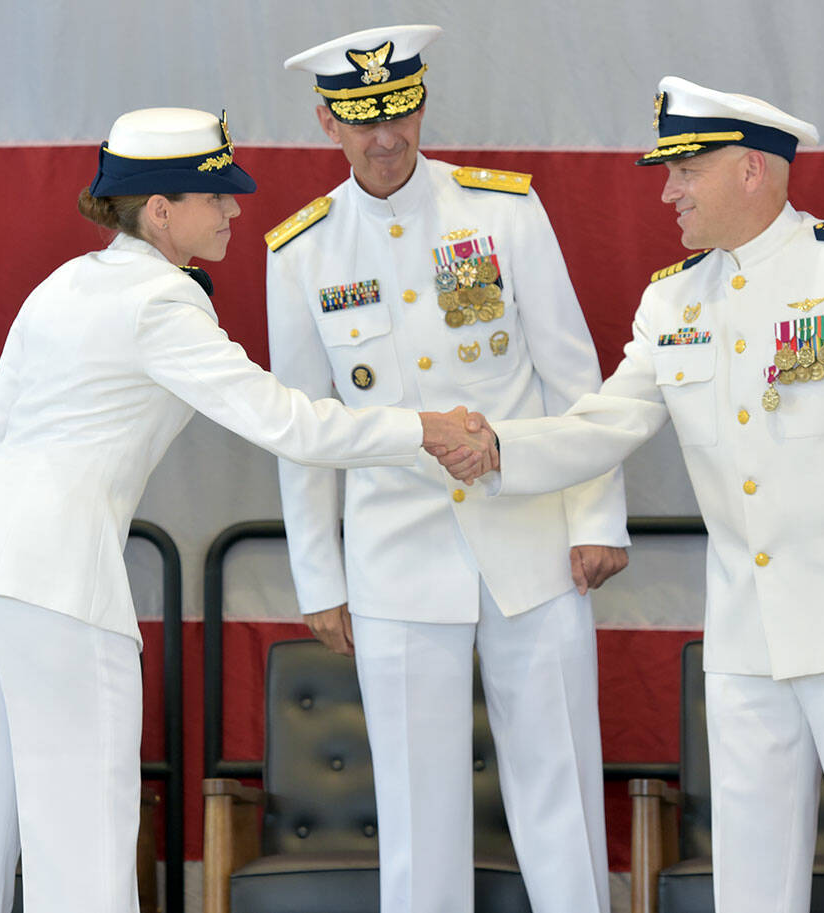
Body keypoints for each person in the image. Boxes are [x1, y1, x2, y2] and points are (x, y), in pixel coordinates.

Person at [0, 106, 493, 913]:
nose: (234, 210)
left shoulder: (63, 283)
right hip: (58, 581)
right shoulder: (161, 302)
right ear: (159, 209)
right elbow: (286, 421)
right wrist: (421, 429)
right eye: (215, 196)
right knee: (82, 846)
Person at [445, 76, 824, 913]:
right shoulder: (673, 298)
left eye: (684, 171)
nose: (667, 191)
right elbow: (606, 420)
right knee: (749, 872)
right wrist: (500, 446)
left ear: (752, 172)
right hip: (744, 633)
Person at [264, 25, 630, 913]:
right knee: (419, 812)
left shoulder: (503, 210)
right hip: (395, 557)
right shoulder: (300, 250)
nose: (385, 138)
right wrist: (320, 574)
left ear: (421, 105)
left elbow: (572, 376)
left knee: (563, 792)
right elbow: (302, 430)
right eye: (362, 122)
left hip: (531, 542)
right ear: (326, 121)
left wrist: (594, 520)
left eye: (399, 114)